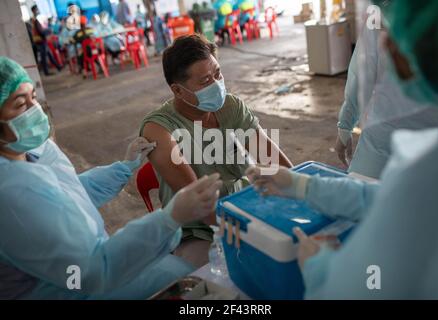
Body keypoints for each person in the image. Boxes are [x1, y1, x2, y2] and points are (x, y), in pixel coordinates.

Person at [247, 0, 438, 299]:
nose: (383, 40)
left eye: (391, 36)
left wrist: (319, 266)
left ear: (408, 54)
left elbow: (363, 287)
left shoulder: (427, 170)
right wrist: (302, 185)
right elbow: (386, 197)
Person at [0, 56, 223, 299]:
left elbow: (69, 191)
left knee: (183, 269)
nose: (36, 110)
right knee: (187, 279)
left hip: (93, 264)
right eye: (21, 105)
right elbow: (90, 273)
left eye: (34, 96)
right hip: (72, 288)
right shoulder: (10, 193)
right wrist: (171, 218)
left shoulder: (29, 151)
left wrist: (123, 167)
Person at [140, 34, 293, 268]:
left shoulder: (231, 106)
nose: (216, 85)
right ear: (178, 91)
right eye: (205, 81)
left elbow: (274, 162)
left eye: (218, 74)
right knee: (227, 279)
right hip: (198, 230)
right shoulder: (158, 129)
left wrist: (304, 191)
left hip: (246, 206)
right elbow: (201, 205)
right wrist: (256, 238)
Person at [335, 19, 438, 179]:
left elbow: (362, 76)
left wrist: (345, 125)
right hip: (437, 147)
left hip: (382, 143)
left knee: (362, 198)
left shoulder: (384, 11)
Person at [30, 5, 62, 76]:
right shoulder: (35, 21)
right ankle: (46, 72)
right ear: (34, 11)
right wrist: (48, 31)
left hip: (40, 41)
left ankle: (58, 67)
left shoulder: (34, 20)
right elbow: (41, 31)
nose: (38, 11)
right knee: (44, 57)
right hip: (41, 41)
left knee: (49, 55)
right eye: (37, 9)